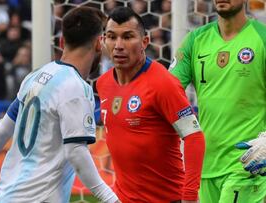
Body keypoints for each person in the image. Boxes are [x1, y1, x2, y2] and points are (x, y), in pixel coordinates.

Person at [0, 6, 120, 203]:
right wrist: (111, 199)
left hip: (7, 196)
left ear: (61, 41)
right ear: (99, 44)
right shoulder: (76, 88)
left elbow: (3, 128)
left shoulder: (35, 76)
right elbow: (76, 152)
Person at [97, 7, 205, 203]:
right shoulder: (103, 83)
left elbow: (194, 137)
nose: (118, 45)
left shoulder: (163, 83)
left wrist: (190, 196)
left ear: (144, 42)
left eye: (128, 37)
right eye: (112, 37)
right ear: (104, 40)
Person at [170, 0, 266, 202]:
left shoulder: (262, 38)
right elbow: (167, 90)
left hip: (246, 165)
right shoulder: (195, 40)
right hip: (206, 166)